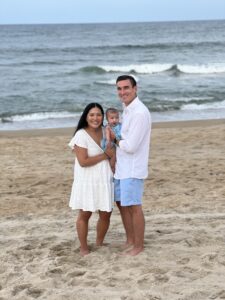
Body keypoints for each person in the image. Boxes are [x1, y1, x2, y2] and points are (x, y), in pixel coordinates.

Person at [110, 75, 152, 256]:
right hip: (122, 167)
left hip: (133, 168)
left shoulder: (140, 113)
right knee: (123, 204)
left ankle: (138, 245)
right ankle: (130, 239)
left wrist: (115, 139)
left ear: (135, 89)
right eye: (119, 88)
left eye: (126, 88)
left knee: (134, 206)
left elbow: (131, 146)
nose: (122, 92)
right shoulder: (126, 109)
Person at [68, 103, 114, 256]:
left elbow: (114, 152)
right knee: (85, 214)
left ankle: (99, 242)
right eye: (92, 115)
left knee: (106, 213)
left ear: (103, 117)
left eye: (99, 115)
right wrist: (105, 155)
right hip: (87, 180)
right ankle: (83, 247)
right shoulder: (81, 134)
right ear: (86, 117)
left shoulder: (106, 131)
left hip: (104, 178)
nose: (95, 118)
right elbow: (83, 161)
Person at [101, 107, 122, 173]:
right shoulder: (108, 127)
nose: (114, 120)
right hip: (110, 143)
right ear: (107, 119)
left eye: (116, 118)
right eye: (112, 118)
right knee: (113, 157)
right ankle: (111, 169)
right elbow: (107, 135)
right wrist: (108, 141)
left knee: (116, 159)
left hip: (117, 143)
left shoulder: (120, 125)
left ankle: (113, 168)